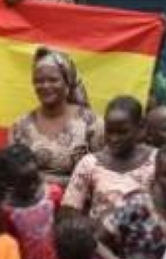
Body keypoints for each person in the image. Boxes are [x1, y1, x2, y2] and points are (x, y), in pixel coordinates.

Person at [8, 47, 102, 189]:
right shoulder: (20, 127)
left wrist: (44, 180)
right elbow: (11, 175)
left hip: (77, 208)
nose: (45, 86)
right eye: (39, 81)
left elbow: (102, 175)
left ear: (67, 82)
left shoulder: (91, 124)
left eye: (53, 80)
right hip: (30, 208)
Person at [62, 96, 157, 225]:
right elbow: (70, 210)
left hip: (146, 238)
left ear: (140, 128)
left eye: (122, 132)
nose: (114, 138)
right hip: (98, 238)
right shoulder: (90, 163)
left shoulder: (157, 160)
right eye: (109, 131)